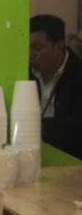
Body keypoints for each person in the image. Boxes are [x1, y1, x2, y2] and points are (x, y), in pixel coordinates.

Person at [29, 14, 82, 159]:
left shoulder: (77, 75)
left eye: (37, 48)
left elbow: (77, 126)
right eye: (27, 48)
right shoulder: (25, 73)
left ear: (59, 47)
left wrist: (41, 127)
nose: (30, 54)